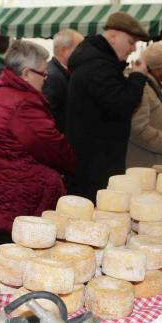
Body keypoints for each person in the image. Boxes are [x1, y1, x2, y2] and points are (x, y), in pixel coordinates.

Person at [0, 40, 76, 257]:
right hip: (17, 199)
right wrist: (73, 163)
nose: (46, 78)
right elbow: (55, 149)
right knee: (12, 256)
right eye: (43, 73)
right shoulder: (23, 104)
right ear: (25, 73)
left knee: (0, 250)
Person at [66, 12, 149, 201]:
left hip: (93, 159)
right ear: (113, 36)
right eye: (130, 41)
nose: (132, 48)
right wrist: (138, 77)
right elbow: (123, 103)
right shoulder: (99, 66)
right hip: (96, 164)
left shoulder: (97, 62)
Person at [126, 42, 162, 169]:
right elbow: (137, 129)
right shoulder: (143, 88)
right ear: (152, 67)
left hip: (149, 158)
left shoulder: (152, 86)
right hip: (143, 161)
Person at [43, 28, 83, 133]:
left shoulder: (60, 72)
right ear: (63, 50)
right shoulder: (53, 76)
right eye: (80, 49)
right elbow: (49, 119)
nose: (84, 53)